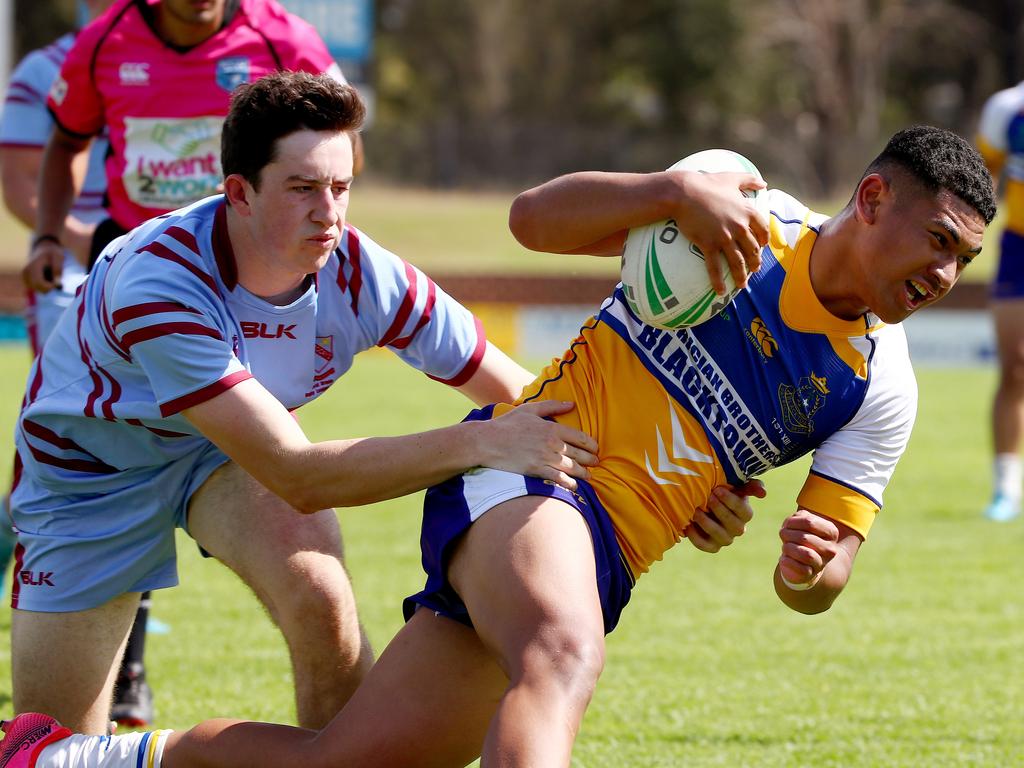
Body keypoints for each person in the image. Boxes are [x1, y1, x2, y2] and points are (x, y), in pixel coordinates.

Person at [7, 123, 987, 768]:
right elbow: (531, 221)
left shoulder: (879, 388)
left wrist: (808, 569)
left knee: (343, 761)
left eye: (965, 259)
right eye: (938, 240)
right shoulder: (736, 208)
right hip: (529, 468)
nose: (946, 272)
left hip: (612, 555)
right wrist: (667, 188)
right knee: (562, 655)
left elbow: (820, 572)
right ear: (868, 200)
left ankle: (67, 760)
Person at [0, 0, 159, 729]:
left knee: (154, 457)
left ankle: (127, 673)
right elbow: (24, 188)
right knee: (53, 470)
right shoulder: (44, 70)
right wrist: (98, 243)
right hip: (75, 283)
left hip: (175, 282)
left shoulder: (200, 51)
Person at [24, 0, 362, 297]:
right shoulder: (104, 40)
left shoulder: (284, 39)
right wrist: (48, 238)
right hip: (133, 255)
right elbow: (67, 143)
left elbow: (348, 146)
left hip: (244, 261)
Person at [975, 81, 1024, 522]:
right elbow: (981, 179)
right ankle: (1006, 488)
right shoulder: (1006, 110)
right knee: (1015, 366)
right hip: (1018, 249)